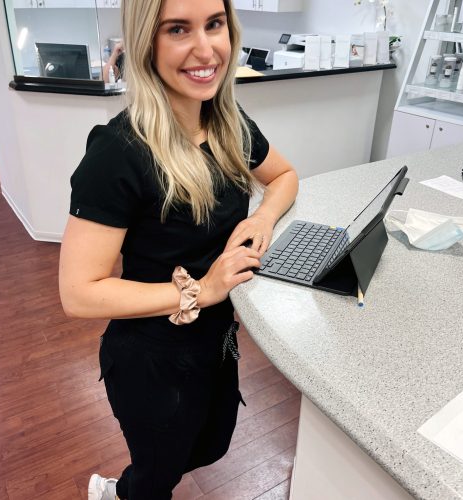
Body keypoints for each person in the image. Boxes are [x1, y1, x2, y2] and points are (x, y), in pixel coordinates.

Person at [59, 0, 298, 498]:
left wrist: (261, 217)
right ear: (149, 42)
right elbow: (79, 293)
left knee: (212, 446)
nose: (205, 48)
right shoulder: (119, 151)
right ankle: (115, 492)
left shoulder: (226, 121)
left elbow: (284, 176)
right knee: (156, 476)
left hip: (218, 339)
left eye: (214, 24)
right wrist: (204, 290)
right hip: (152, 354)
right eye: (178, 29)